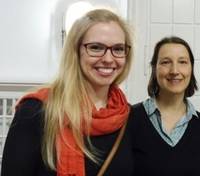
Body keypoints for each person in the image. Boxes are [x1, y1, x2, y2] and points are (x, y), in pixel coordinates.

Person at [2, 9, 134, 176]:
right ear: (76, 52)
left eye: (118, 49)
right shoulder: (36, 111)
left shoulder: (127, 117)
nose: (108, 59)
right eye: (95, 47)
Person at [129, 36, 200, 176]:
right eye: (166, 62)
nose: (174, 70)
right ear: (154, 69)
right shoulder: (130, 118)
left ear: (191, 69)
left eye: (182, 62)